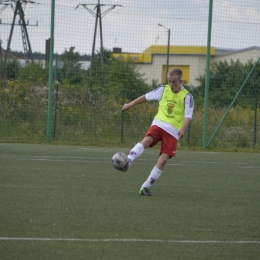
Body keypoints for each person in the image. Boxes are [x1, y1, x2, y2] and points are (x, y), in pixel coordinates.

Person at [121, 67, 194, 196]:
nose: (171, 84)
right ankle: (128, 161)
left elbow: (188, 115)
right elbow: (145, 97)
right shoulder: (163, 89)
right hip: (159, 124)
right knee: (147, 140)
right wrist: (130, 104)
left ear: (180, 81)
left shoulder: (187, 97)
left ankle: (145, 187)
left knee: (163, 160)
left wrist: (182, 129)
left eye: (174, 82)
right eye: (169, 81)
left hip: (173, 131)